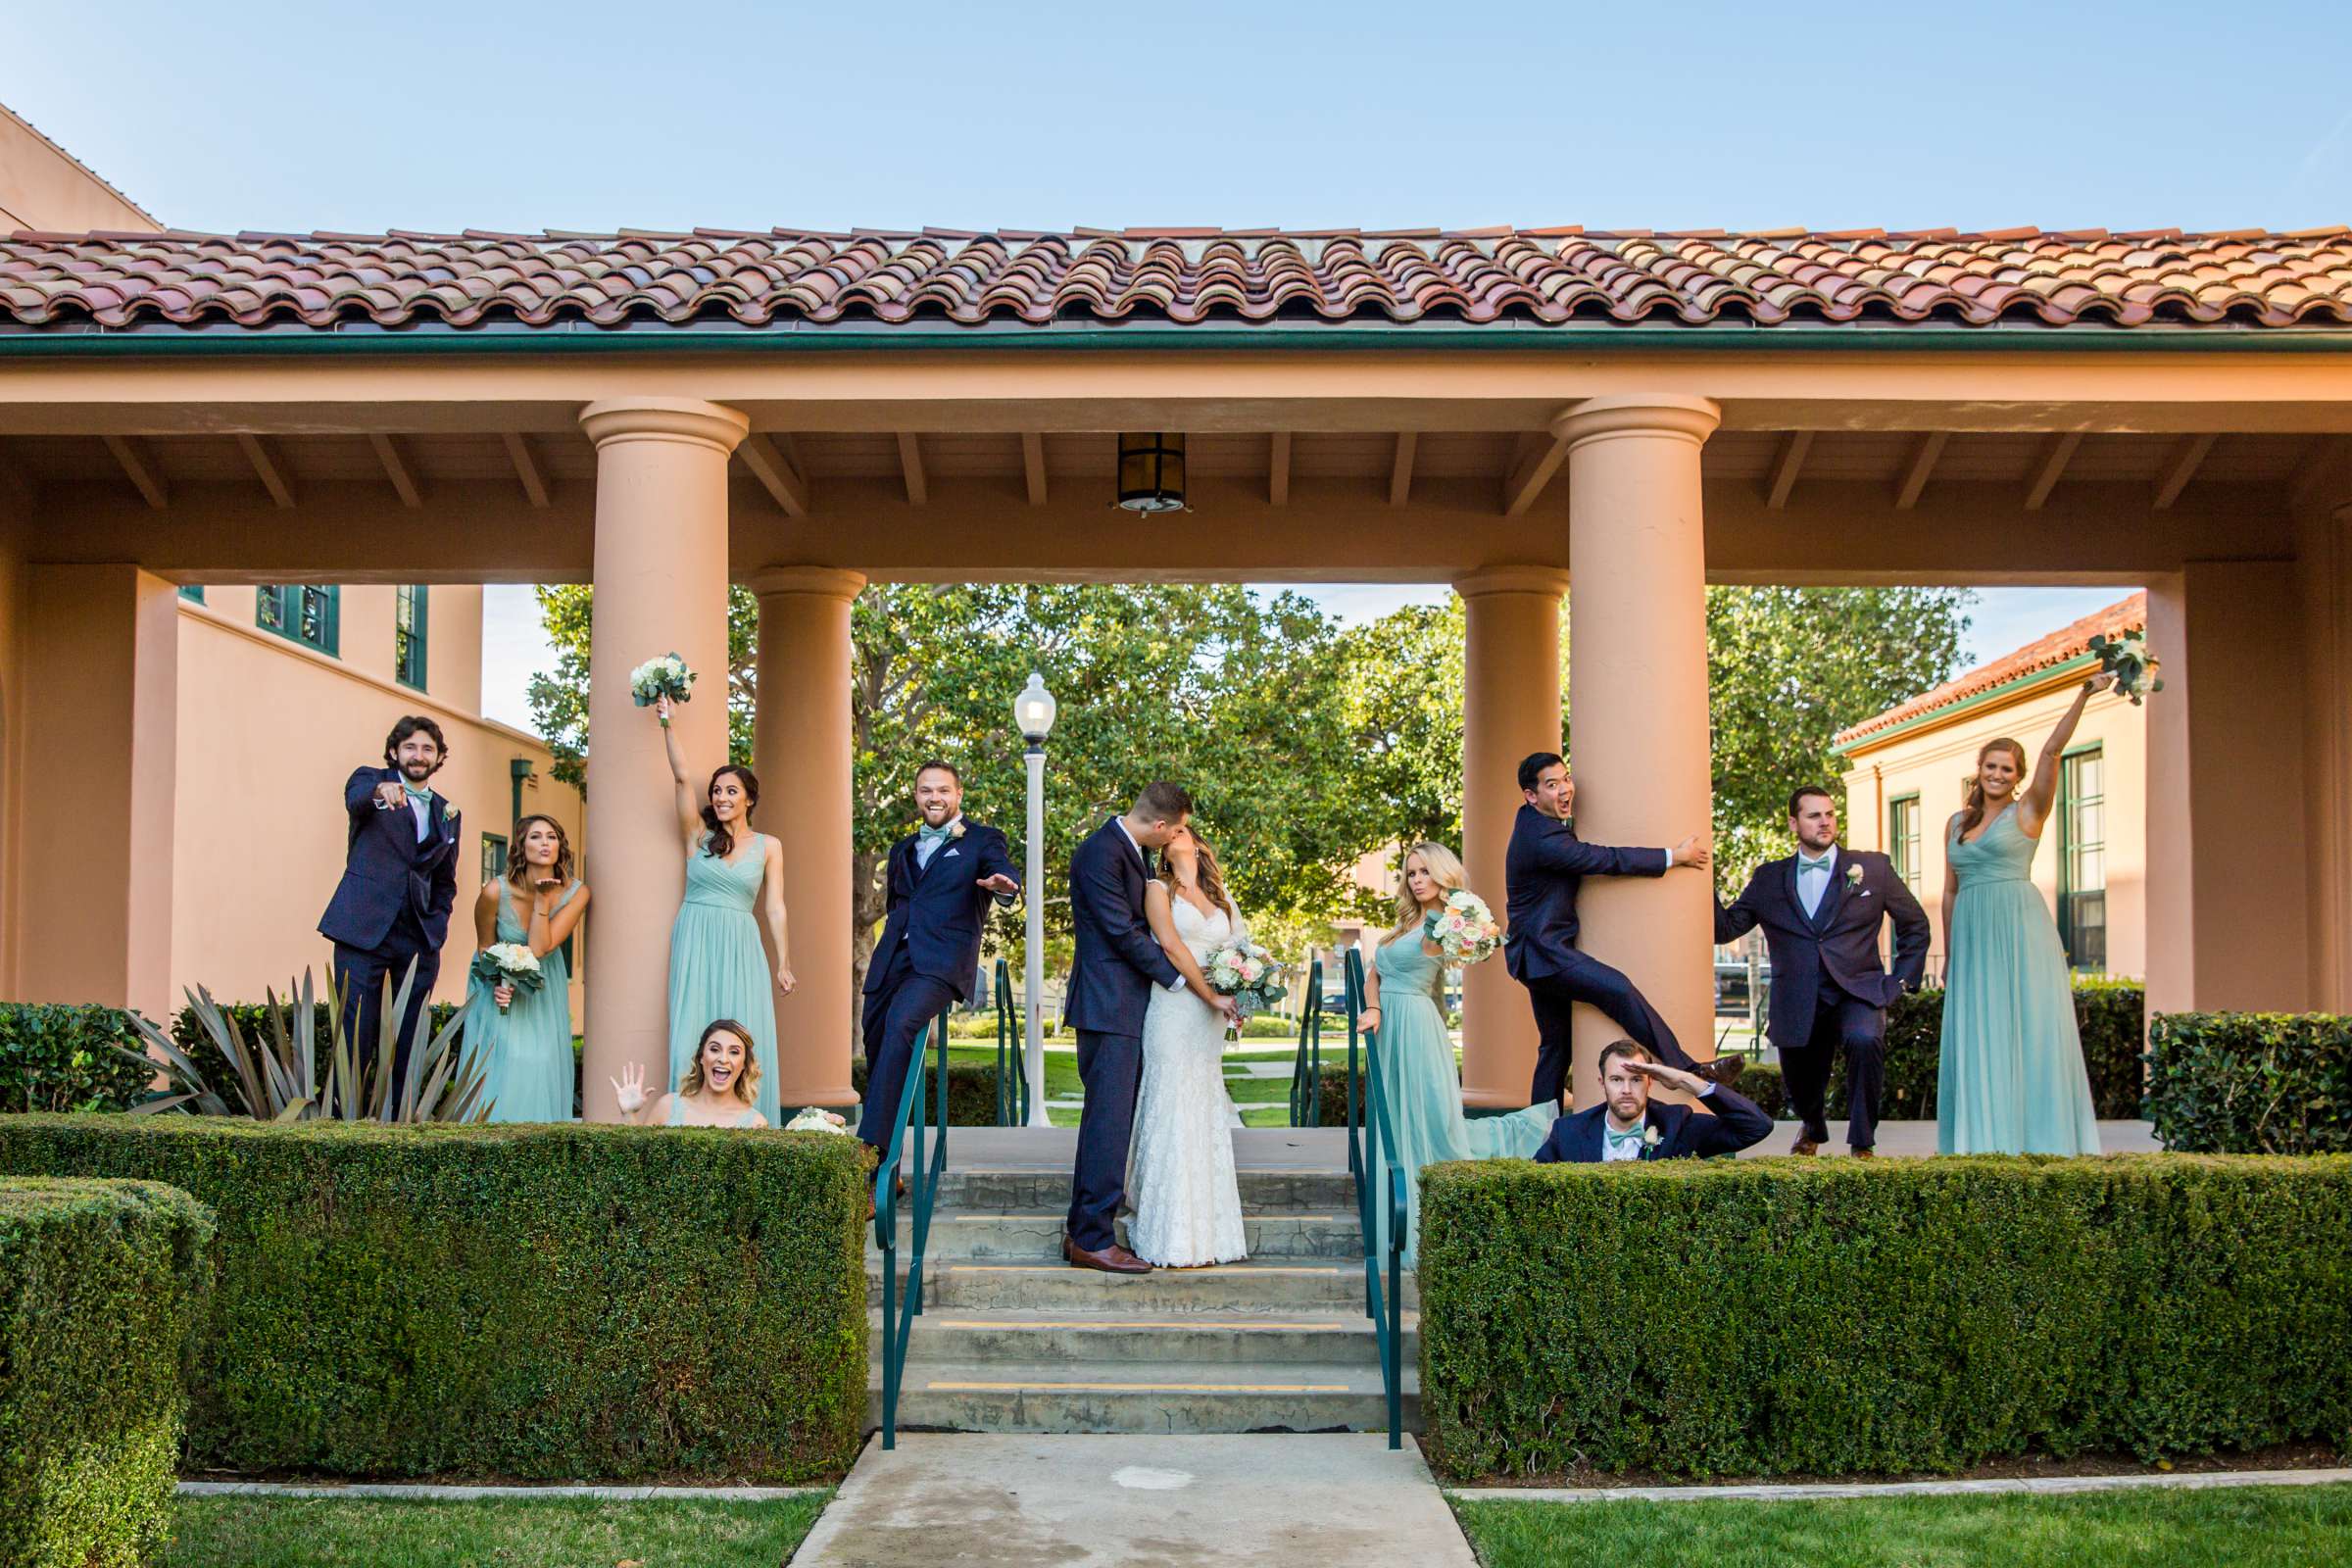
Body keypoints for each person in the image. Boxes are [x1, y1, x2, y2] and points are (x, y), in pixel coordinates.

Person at [1061, 782, 1236, 1275]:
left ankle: (1082, 1229)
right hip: (1107, 1006)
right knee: (1108, 1125)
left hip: (1125, 1006)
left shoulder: (1127, 850)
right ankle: (1093, 1239)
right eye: (1179, 829)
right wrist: (1181, 979)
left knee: (1111, 1123)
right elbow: (1121, 931)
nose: (1183, 837)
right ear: (1161, 826)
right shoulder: (1101, 853)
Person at [1358, 843, 1553, 1268]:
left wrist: (1462, 916)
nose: (1417, 880)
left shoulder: (1447, 922)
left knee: (1434, 1123)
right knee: (1395, 1117)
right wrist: (1372, 1008)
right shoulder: (1405, 922)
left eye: (1425, 871)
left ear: (1442, 874)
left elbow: (1472, 946)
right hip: (1389, 1025)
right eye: (1411, 873)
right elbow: (1374, 974)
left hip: (1416, 1027)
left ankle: (1530, 1130)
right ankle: (1392, 1214)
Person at [1936, 679, 2111, 1155]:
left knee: (2027, 1027)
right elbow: (1950, 892)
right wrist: (1951, 955)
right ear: (1980, 770)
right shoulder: (1956, 823)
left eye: (2007, 769)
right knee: (1979, 1034)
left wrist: (2085, 694)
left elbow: (2053, 752)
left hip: (2019, 928)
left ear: (2018, 776)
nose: (1997, 774)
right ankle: (1980, 1140)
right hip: (1972, 934)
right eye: (1990, 766)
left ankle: (2039, 1139)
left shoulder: (2030, 810)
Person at [1504, 752, 1733, 1109]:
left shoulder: (1535, 822)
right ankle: (1686, 1068)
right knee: (1618, 988)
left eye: (1566, 779)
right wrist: (1674, 857)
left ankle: (1540, 1135)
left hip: (1533, 954)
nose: (1565, 789)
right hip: (1545, 952)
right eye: (1552, 785)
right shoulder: (1541, 838)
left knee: (1555, 1046)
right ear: (1531, 796)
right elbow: (1605, 859)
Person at [1714, 786, 1931, 1157]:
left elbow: (1915, 924)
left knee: (1865, 1041)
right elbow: (1727, 929)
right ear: (1793, 823)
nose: (1825, 821)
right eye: (1814, 815)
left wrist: (1901, 980)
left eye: (1829, 814)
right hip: (1797, 994)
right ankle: (1813, 1126)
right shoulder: (1769, 878)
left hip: (1858, 989)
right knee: (1799, 1078)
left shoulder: (1872, 869)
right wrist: (1704, 883)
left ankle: (1863, 1142)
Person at [858, 760, 1021, 1156]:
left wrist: (1003, 887)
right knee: (876, 1037)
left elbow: (1003, 874)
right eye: (927, 790)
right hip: (893, 958)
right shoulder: (902, 850)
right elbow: (900, 903)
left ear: (959, 794)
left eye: (943, 790)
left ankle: (869, 1149)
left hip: (941, 964)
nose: (935, 797)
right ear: (916, 795)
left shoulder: (983, 840)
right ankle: (889, 1165)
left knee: (901, 1024)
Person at [657, 694, 794, 1129]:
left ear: (749, 799)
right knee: (692, 1026)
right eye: (716, 791)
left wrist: (784, 962)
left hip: (741, 940)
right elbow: (681, 779)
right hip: (695, 934)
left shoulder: (769, 846)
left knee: (743, 1033)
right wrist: (667, 723)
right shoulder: (696, 835)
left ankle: (752, 1131)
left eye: (730, 791)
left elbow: (775, 907)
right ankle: (686, 1129)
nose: (720, 798)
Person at [318, 715, 464, 1097]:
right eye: (411, 747)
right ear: (395, 752)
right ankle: (343, 1119)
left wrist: (438, 925)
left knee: (410, 1035)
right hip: (363, 927)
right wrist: (382, 790)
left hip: (418, 934)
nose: (419, 755)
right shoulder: (369, 780)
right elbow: (356, 800)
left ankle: (401, 1122)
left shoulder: (448, 813)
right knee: (356, 1032)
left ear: (438, 757)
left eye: (428, 748)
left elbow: (446, 881)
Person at [1128, 824, 1250, 1269]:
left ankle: (1210, 1229)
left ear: (1197, 843)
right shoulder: (1156, 889)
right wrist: (1210, 994)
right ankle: (1170, 1229)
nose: (1173, 834)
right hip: (1176, 1005)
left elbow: (1241, 950)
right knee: (1172, 1101)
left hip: (1210, 1018)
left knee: (1203, 1106)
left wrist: (1242, 994)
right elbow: (1174, 948)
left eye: (1182, 828)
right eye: (1169, 830)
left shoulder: (1221, 897)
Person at [463, 813, 590, 1123]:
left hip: (543, 987)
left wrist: (542, 902)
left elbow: (539, 948)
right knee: (506, 1063)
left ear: (561, 845)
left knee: (540, 1062)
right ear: (521, 845)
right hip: (497, 989)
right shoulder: (494, 891)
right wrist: (498, 982)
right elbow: (484, 946)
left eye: (551, 836)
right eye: (535, 836)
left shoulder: (578, 892)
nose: (544, 843)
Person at [1533, 1039, 1772, 1163]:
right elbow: (1532, 1187)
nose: (1626, 1089)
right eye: (1616, 1079)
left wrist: (1685, 1079)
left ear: (1651, 1082)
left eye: (1636, 1080)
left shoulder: (1677, 1125)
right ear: (1602, 1082)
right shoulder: (1568, 1131)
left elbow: (1755, 1127)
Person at [610, 1019, 770, 1129]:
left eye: (734, 1052)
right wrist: (629, 1114)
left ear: (743, 1065)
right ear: (701, 1057)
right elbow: (637, 1165)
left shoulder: (755, 1123)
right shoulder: (667, 1106)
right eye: (715, 1049)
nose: (723, 1059)